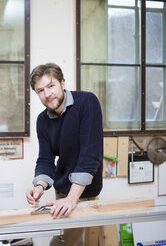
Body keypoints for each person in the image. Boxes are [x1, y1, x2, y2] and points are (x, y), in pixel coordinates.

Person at [26, 63, 103, 246]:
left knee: (62, 243)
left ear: (62, 83)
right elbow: (45, 159)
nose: (47, 94)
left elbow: (90, 155)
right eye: (40, 91)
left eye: (51, 86)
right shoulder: (42, 120)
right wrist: (38, 186)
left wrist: (72, 198)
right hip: (61, 190)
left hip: (83, 191)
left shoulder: (87, 102)